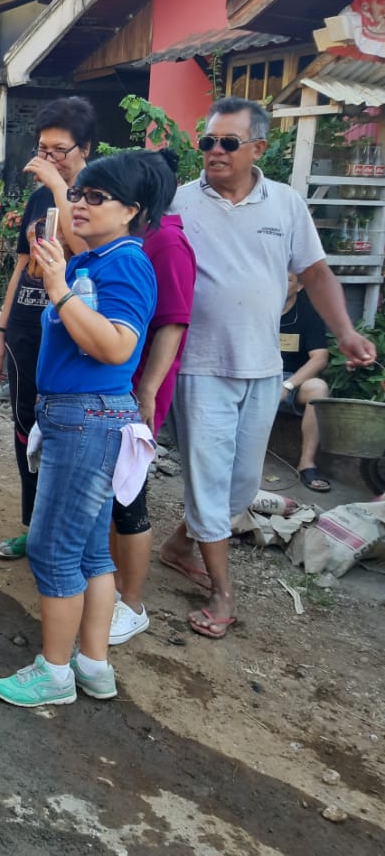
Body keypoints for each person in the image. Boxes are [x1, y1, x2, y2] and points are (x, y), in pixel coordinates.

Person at [157, 97, 375, 639]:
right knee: (208, 482)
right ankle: (222, 592)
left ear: (259, 148)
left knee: (241, 486)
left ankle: (180, 542)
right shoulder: (179, 203)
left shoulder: (286, 204)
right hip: (199, 366)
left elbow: (317, 273)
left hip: (262, 367)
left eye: (228, 143)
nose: (214, 151)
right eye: (207, 141)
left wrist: (345, 332)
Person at [0, 151, 165, 709]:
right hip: (82, 416)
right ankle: (94, 664)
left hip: (90, 416)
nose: (80, 205)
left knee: (52, 549)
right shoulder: (96, 256)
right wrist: (59, 192)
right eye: (79, 194)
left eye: (96, 197)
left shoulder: (126, 263)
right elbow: (68, 231)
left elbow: (117, 345)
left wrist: (61, 290)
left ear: (132, 210)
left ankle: (55, 672)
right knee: (91, 551)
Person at [0, 97, 95, 560]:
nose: (47, 159)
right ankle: (32, 528)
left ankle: (64, 538)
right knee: (24, 428)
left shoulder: (98, 195)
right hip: (28, 328)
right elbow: (22, 265)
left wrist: (58, 186)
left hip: (72, 331)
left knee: (65, 432)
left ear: (85, 148)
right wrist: (0, 329)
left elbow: (86, 250)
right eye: (42, 149)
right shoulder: (36, 197)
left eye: (59, 151)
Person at [108, 152, 196, 645]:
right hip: (115, 386)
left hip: (137, 390)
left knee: (129, 498)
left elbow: (174, 322)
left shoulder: (167, 242)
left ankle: (132, 602)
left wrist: (147, 391)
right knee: (112, 494)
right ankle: (111, 587)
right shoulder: (137, 238)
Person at [278, 273, 332, 492]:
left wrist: (287, 385)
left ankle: (307, 463)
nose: (281, 282)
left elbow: (320, 357)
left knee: (318, 389)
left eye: (288, 279)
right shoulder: (256, 307)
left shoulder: (308, 314)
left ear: (300, 285)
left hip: (292, 378)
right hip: (255, 374)